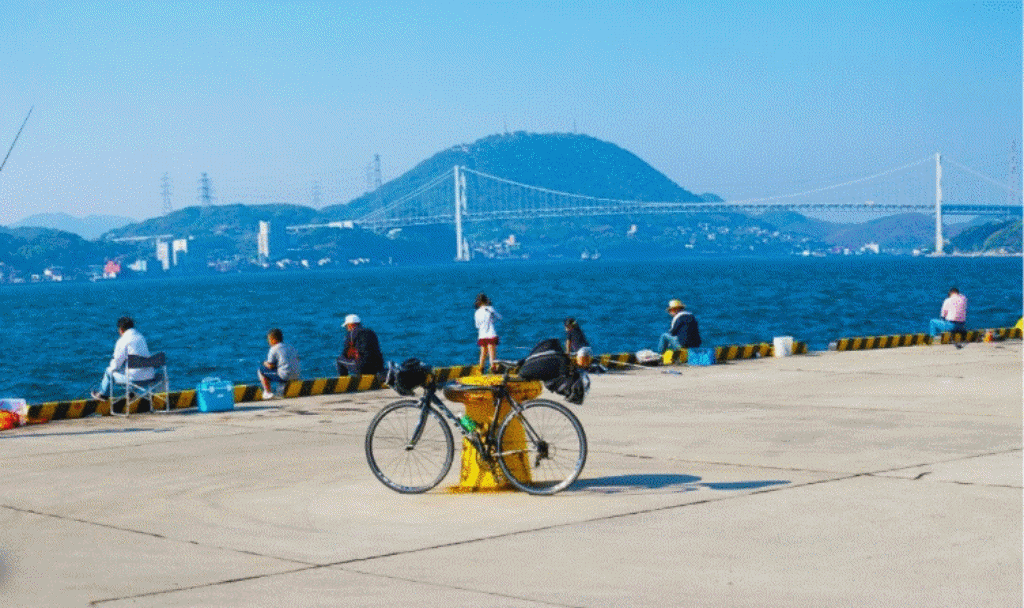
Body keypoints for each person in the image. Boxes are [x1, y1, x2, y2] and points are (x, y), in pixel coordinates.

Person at [91, 316, 154, 400]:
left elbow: (116, 365)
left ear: (121, 329)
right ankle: (131, 393)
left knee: (109, 371)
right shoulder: (141, 338)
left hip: (134, 380)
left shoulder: (123, 340)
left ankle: (103, 394)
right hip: (150, 377)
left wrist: (111, 368)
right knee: (132, 370)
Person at [258, 328, 300, 399]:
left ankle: (267, 392)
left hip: (285, 376)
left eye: (269, 340)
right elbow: (297, 359)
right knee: (281, 368)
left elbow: (270, 366)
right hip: (296, 375)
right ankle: (281, 389)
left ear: (274, 340)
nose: (268, 342)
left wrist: (264, 363)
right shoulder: (290, 347)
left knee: (261, 370)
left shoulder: (274, 349)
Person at [474, 293, 502, 372]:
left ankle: (481, 369)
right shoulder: (490, 309)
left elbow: (477, 325)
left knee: (483, 353)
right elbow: (499, 317)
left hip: (482, 335)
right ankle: (493, 369)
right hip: (491, 334)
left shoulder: (477, 312)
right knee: (492, 353)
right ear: (486, 300)